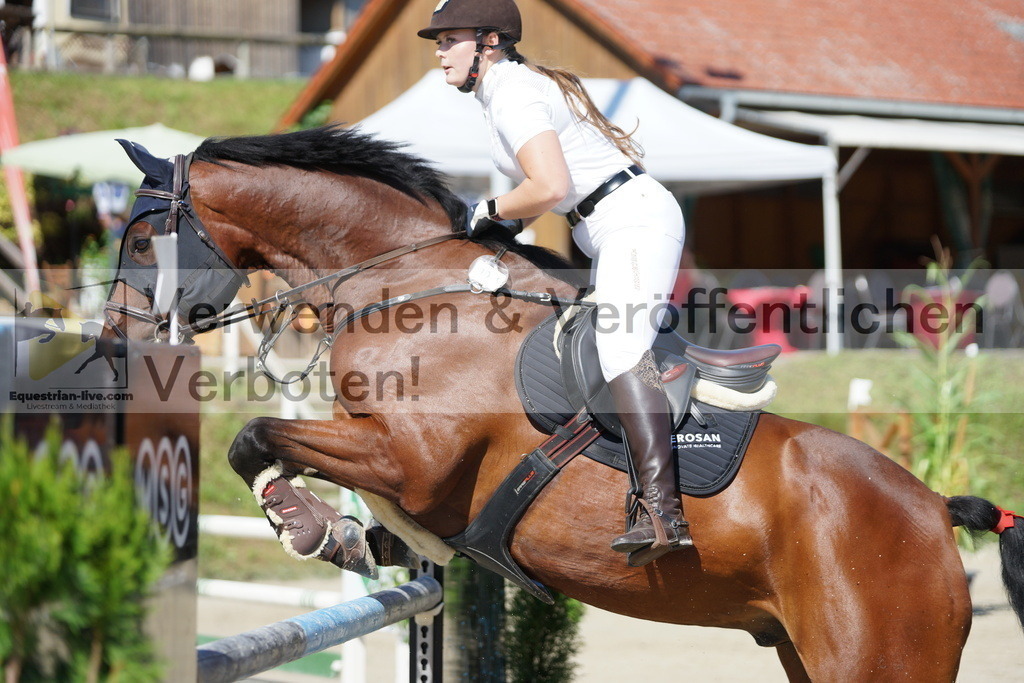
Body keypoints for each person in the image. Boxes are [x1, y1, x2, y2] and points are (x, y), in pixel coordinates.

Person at [418, 0, 692, 566]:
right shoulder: (505, 91)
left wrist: (486, 208)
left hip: (633, 220)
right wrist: (490, 226)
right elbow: (547, 193)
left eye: (450, 38)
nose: (439, 49)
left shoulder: (515, 92)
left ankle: (663, 512)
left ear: (488, 41)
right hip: (607, 226)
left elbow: (548, 185)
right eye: (437, 40)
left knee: (621, 345)